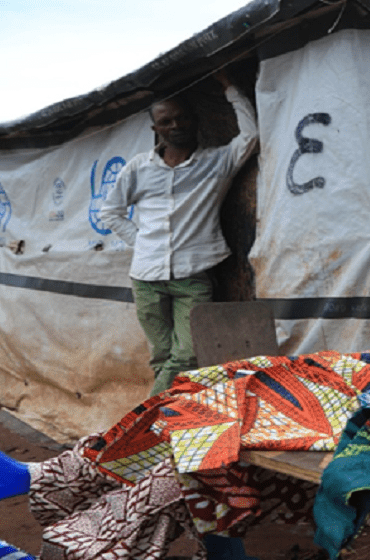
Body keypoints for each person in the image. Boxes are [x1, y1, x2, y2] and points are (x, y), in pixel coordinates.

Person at [100, 70, 258, 396]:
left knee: (185, 354)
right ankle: (172, 426)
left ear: (195, 121)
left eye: (182, 119)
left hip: (192, 278)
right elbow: (110, 212)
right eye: (167, 121)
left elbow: (251, 136)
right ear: (155, 129)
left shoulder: (217, 162)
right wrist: (141, 242)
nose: (176, 126)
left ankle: (149, 422)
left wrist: (230, 86)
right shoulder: (138, 169)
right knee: (162, 357)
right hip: (145, 278)